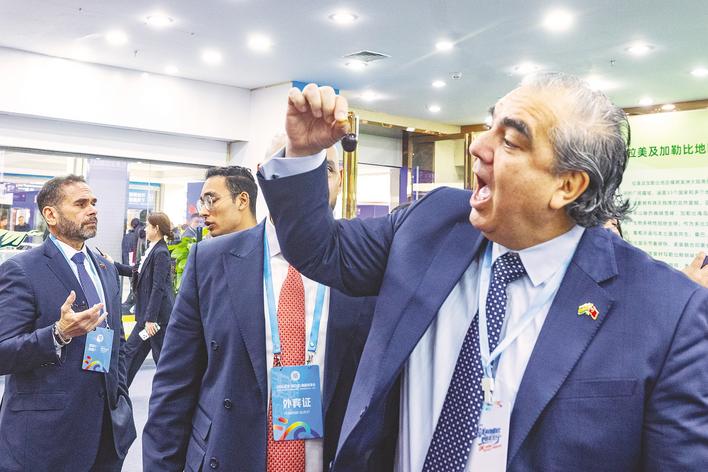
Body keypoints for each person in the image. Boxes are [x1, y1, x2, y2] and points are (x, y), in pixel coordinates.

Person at [258, 74, 708, 471]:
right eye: (489, 126)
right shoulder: (432, 222)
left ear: (567, 185)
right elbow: (321, 250)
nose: (477, 145)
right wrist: (303, 152)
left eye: (510, 141)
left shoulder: (666, 313)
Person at [142, 150, 385, 471]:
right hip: (228, 456)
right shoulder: (210, 261)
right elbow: (174, 387)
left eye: (324, 168)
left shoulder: (366, 264)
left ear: (340, 180)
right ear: (266, 174)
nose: (309, 177)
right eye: (295, 162)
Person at [0, 175, 136, 471]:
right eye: (81, 204)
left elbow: (117, 344)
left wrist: (120, 398)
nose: (92, 210)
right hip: (47, 440)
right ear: (51, 214)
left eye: (94, 203)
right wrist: (57, 334)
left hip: (107, 433)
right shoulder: (21, 270)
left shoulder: (105, 269)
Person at [105, 212, 175, 387]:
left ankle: (170, 394)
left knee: (159, 360)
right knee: (132, 354)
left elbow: (158, 287)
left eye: (148, 226)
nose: (145, 229)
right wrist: (112, 264)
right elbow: (135, 271)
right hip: (148, 317)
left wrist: (150, 319)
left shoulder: (161, 253)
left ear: (156, 228)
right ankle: (119, 391)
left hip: (155, 320)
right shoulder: (152, 249)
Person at [197, 165, 258, 237]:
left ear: (242, 201)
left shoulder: (269, 241)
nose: (202, 213)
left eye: (211, 201)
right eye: (202, 203)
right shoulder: (205, 244)